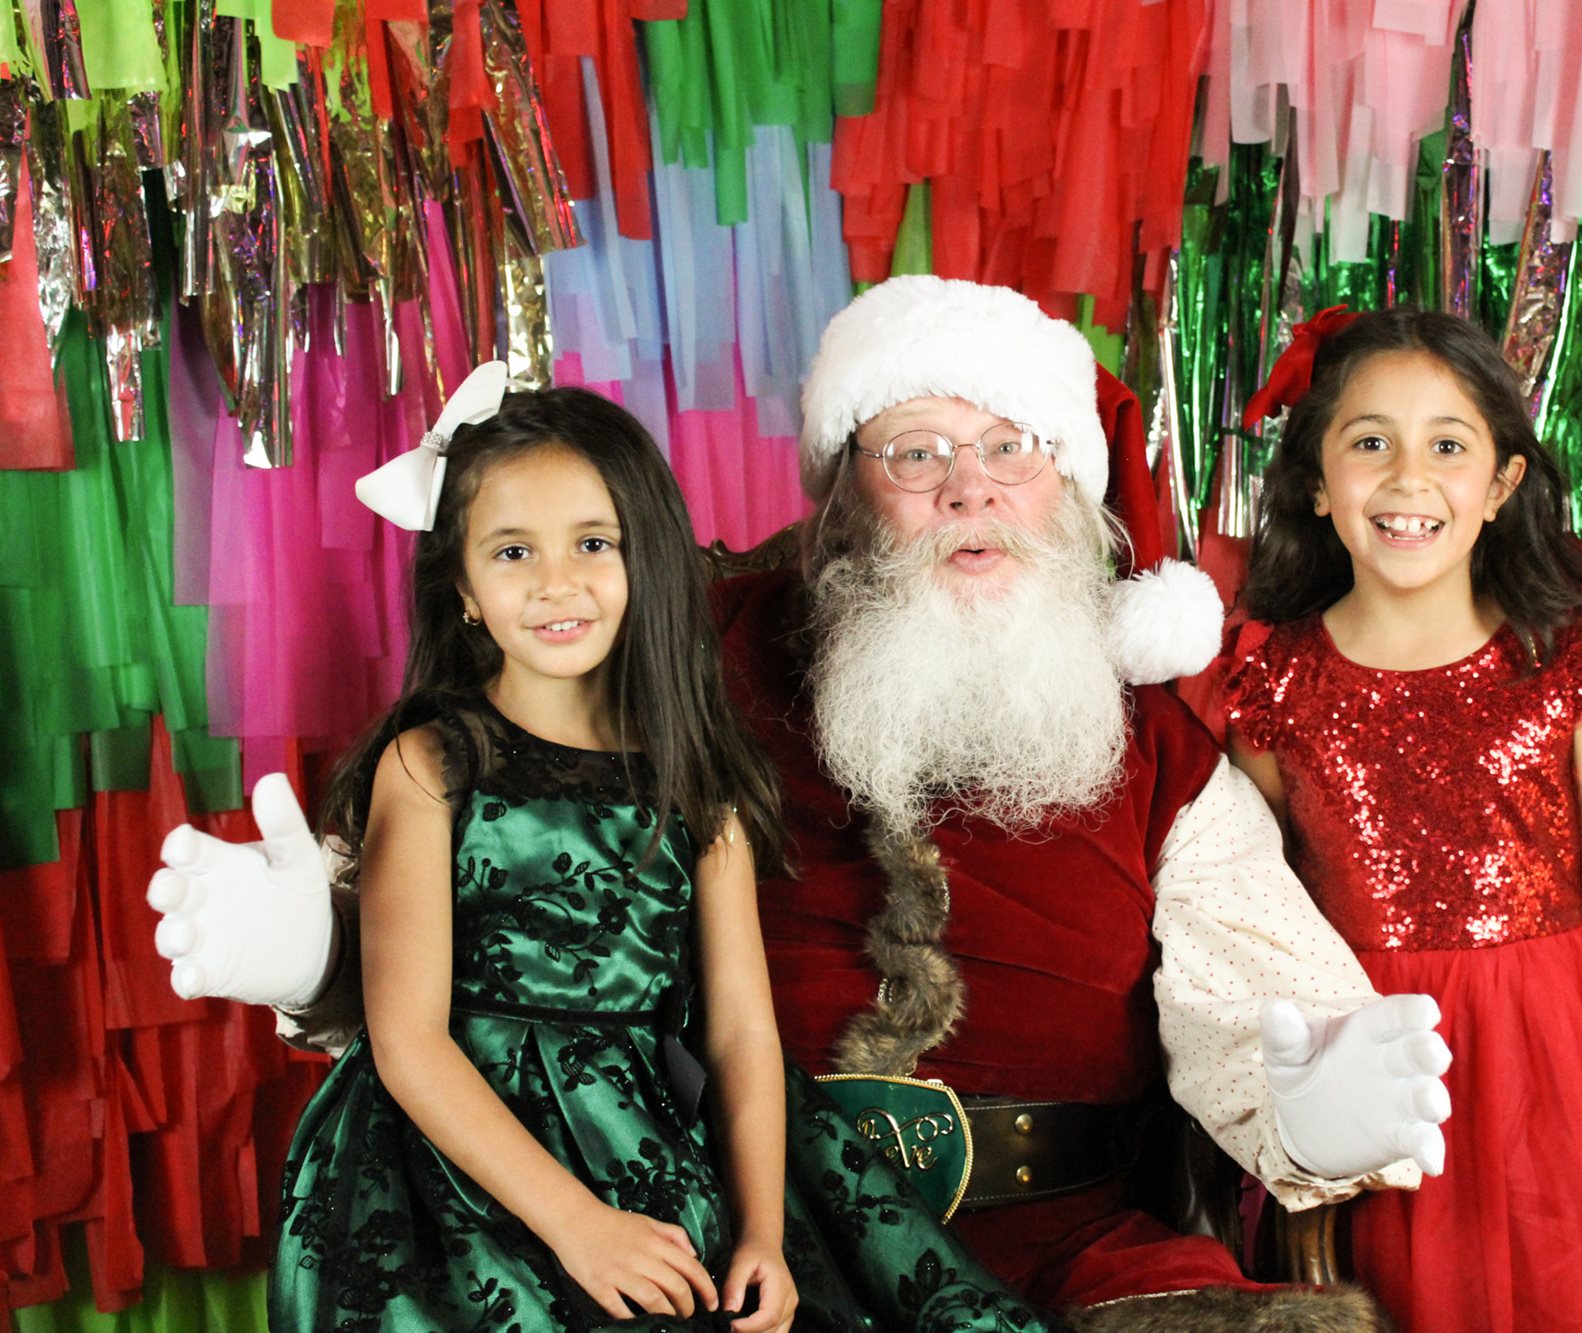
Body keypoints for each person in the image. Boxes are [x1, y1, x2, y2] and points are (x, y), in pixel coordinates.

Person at [150, 276, 1454, 1332]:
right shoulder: (688, 650)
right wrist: (318, 943)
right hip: (725, 1204)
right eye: (916, 453)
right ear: (842, 492)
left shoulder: (1157, 742)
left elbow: (1247, 996)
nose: (968, 488)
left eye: (1011, 448)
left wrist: (1309, 1102)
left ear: (1070, 487)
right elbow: (510, 850)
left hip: (1071, 1240)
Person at [262, 371, 1054, 1333]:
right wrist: (578, 1225)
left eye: (593, 543)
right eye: (512, 551)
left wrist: (763, 1232)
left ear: (647, 559)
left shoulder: (695, 780)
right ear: (463, 588)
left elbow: (740, 1033)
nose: (557, 582)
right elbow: (408, 1041)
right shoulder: (429, 766)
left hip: (641, 1138)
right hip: (456, 1168)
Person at [1223, 306, 1582, 1332]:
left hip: (1551, 1073)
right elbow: (1251, 927)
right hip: (1373, 1083)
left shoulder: (1568, 664)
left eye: (1447, 446)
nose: (1408, 478)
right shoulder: (1270, 683)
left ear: (1501, 485)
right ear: (1317, 482)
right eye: (1371, 442)